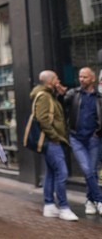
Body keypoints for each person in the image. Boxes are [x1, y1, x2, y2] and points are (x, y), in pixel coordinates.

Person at [31, 70, 79, 221]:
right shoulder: (44, 96)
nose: (59, 80)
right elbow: (43, 119)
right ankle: (64, 207)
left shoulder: (50, 94)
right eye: (56, 78)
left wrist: (60, 94)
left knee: (51, 173)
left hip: (53, 141)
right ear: (50, 81)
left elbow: (55, 113)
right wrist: (55, 137)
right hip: (52, 142)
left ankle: (49, 205)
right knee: (62, 173)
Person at [63, 66, 102, 215]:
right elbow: (62, 102)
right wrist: (60, 93)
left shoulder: (99, 98)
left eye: (84, 77)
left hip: (93, 138)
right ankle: (99, 200)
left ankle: (90, 201)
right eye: (80, 76)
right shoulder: (74, 94)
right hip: (76, 138)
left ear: (92, 79)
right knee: (87, 170)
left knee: (91, 171)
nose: (81, 79)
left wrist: (98, 133)